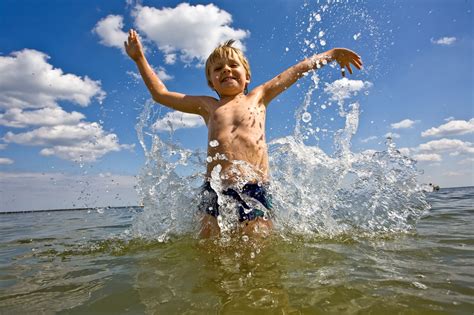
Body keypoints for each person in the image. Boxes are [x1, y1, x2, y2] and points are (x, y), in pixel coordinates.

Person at [125, 29, 362, 238]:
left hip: (254, 188)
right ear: (212, 83)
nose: (226, 70)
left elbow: (296, 70)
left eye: (233, 66)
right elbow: (161, 94)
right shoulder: (207, 105)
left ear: (247, 76)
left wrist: (331, 54)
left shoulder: (258, 97)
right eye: (218, 69)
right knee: (210, 251)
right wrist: (139, 59)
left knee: (256, 252)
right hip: (215, 190)